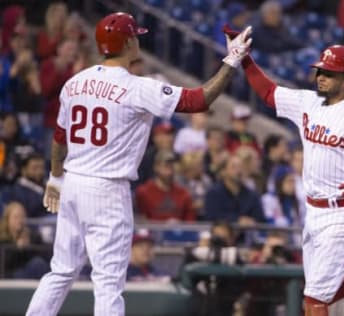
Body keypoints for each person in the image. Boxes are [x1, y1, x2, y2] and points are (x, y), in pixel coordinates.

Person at [26, 12, 253, 316]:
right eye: (136, 36)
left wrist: (54, 178)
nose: (139, 41)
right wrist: (233, 60)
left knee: (61, 271)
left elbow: (59, 136)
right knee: (108, 283)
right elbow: (199, 101)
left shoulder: (74, 82)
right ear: (129, 41)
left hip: (72, 182)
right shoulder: (136, 87)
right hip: (106, 190)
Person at [225, 27, 344, 316]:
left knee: (315, 299)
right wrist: (244, 59)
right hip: (313, 210)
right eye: (320, 71)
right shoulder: (308, 101)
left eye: (329, 73)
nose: (321, 76)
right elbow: (268, 92)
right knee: (319, 290)